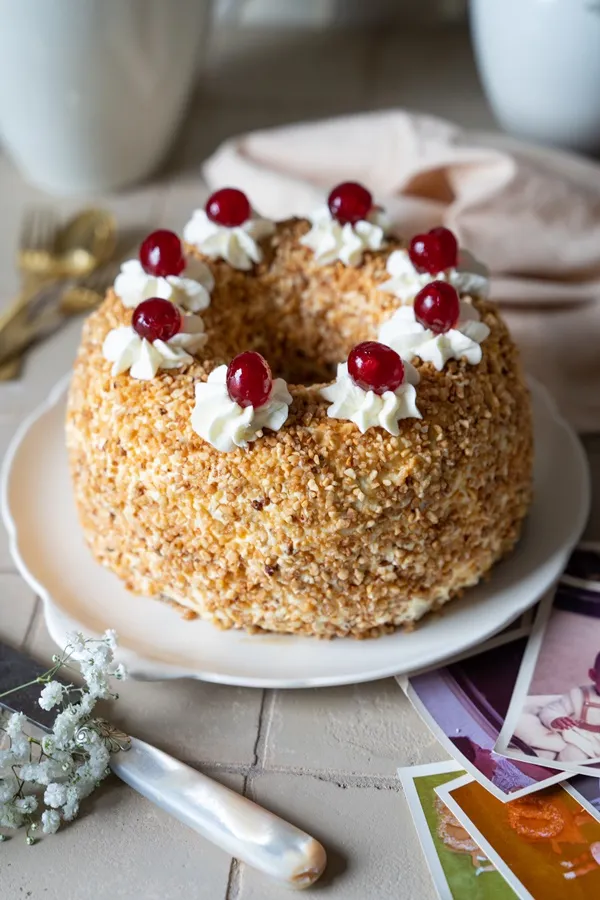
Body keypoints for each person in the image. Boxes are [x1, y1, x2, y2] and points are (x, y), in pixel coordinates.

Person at [537, 652, 600, 762]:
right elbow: (551, 710)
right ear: (593, 675)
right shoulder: (578, 695)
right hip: (582, 739)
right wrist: (555, 719)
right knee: (573, 755)